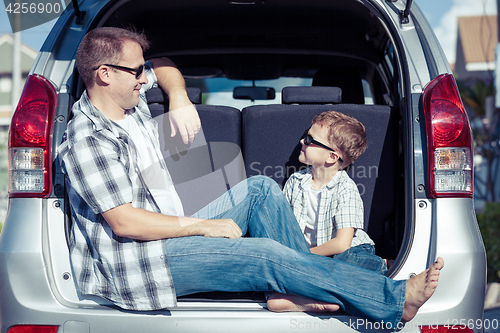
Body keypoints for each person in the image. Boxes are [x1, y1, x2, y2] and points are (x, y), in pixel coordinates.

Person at [58, 26, 443, 327]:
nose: (145, 80)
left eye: (143, 71)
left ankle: (290, 290)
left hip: (167, 236)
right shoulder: (86, 140)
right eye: (137, 72)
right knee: (265, 254)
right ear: (105, 74)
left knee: (260, 189)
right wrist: (203, 226)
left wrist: (179, 97)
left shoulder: (129, 105)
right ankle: (392, 299)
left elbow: (164, 63)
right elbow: (126, 222)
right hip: (142, 261)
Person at [283, 111, 387, 274]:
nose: (302, 141)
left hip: (350, 249)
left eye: (310, 139)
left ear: (331, 157)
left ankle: (382, 265)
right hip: (314, 253)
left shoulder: (346, 189)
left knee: (345, 259)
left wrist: (304, 256)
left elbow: (342, 244)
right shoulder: (295, 181)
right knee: (329, 266)